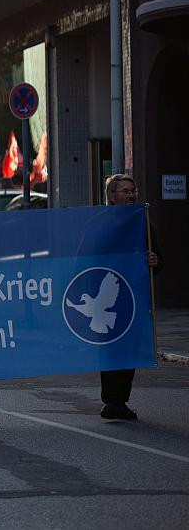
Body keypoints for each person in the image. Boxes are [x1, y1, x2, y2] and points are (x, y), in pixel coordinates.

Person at [99, 173, 162, 422]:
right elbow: (87, 257)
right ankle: (112, 400)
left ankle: (120, 400)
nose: (131, 195)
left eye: (133, 190)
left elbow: (157, 259)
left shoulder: (143, 224)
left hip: (134, 299)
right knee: (112, 349)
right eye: (125, 191)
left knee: (129, 349)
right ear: (112, 197)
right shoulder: (99, 224)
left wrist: (155, 262)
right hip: (105, 299)